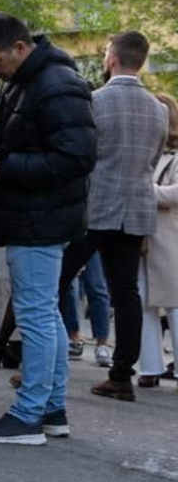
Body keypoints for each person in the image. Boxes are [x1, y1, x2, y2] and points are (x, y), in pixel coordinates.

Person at [0, 13, 95, 444]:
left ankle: (29, 414)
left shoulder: (57, 85)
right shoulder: (21, 79)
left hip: (41, 216)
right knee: (45, 311)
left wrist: (7, 170)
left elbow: (77, 157)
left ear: (20, 47)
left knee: (37, 314)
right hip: (33, 214)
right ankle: (51, 409)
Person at [58, 31, 169, 402]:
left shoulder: (95, 101)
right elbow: (152, 161)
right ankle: (122, 375)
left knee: (56, 279)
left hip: (97, 205)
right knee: (127, 293)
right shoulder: (159, 109)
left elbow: (84, 155)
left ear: (111, 59)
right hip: (137, 207)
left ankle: (46, 362)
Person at [139, 94, 178, 385]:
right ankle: (149, 368)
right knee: (143, 304)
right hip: (145, 237)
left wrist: (144, 191)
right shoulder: (145, 151)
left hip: (170, 238)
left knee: (175, 305)